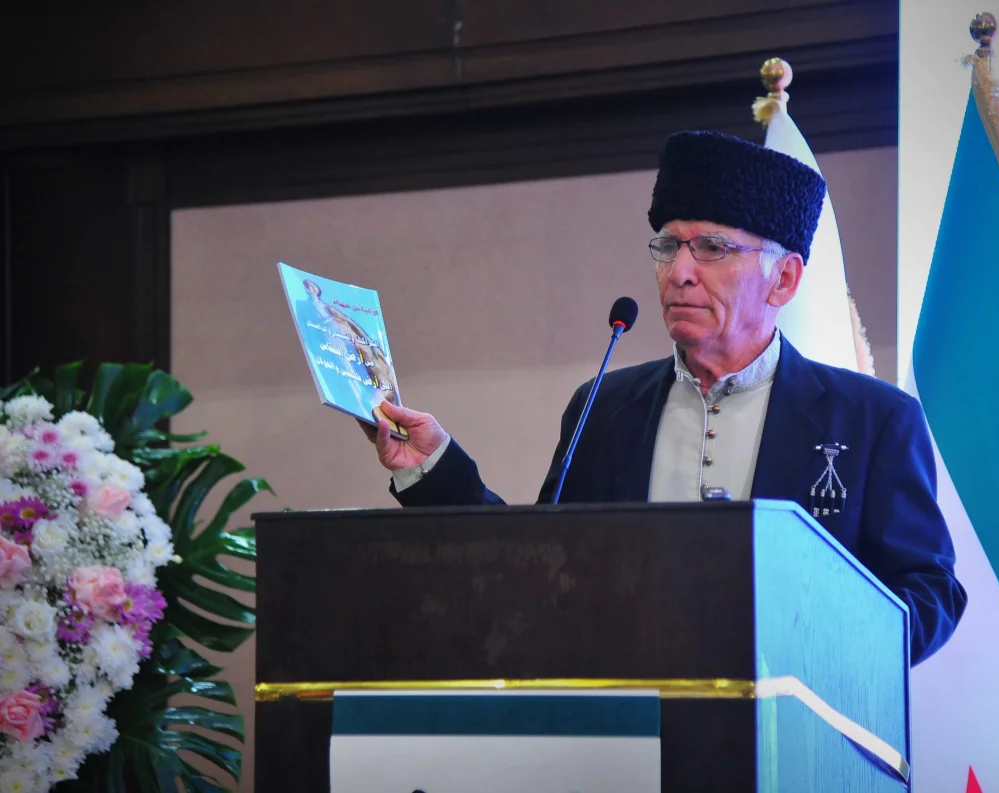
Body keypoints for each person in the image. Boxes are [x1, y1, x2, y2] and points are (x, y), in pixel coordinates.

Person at [360, 130, 967, 665]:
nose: (679, 272)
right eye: (669, 246)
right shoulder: (605, 407)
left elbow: (928, 594)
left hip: (795, 732)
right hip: (627, 734)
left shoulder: (873, 420)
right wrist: (435, 469)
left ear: (783, 279)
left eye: (712, 249)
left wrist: (811, 650)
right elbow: (536, 567)